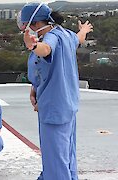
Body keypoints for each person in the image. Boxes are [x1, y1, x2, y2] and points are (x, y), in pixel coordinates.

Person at [18, 2, 93, 180]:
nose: (23, 28)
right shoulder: (65, 35)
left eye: (25, 24)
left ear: (35, 24)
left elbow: (46, 50)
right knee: (66, 154)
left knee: (55, 159)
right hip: (68, 106)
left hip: (54, 110)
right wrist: (84, 29)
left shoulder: (50, 38)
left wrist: (33, 46)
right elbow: (79, 38)